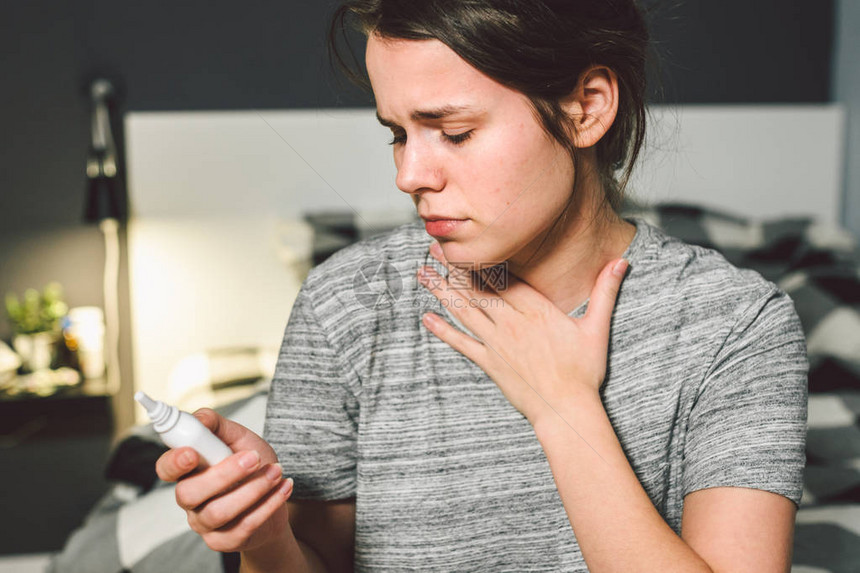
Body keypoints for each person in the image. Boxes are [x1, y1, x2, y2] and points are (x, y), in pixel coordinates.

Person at [156, 1, 808, 571]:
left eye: (455, 132)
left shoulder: (738, 327)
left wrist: (562, 406)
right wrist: (266, 540)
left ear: (587, 107)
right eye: (398, 133)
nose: (410, 174)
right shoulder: (345, 307)